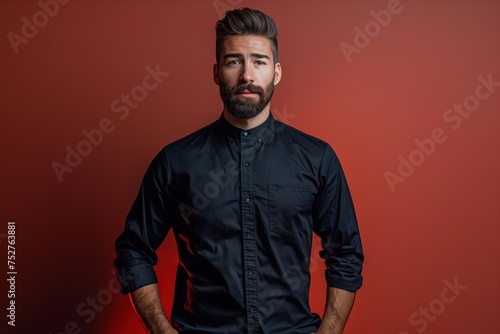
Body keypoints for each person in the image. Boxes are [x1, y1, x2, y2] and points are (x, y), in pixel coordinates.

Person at [114, 7, 363, 334]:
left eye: (258, 62)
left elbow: (345, 253)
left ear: (276, 72)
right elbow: (133, 250)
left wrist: (330, 330)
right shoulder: (176, 161)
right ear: (217, 72)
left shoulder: (317, 159)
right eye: (234, 62)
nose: (247, 75)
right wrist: (161, 329)